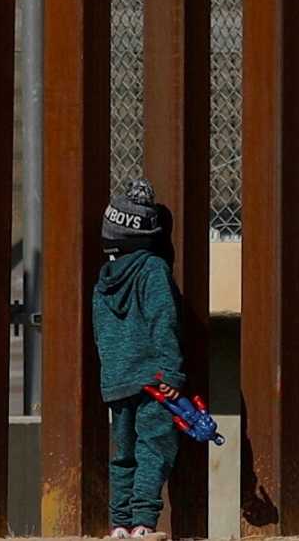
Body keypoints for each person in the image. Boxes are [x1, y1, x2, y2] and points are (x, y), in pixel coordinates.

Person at [93, 178, 186, 539]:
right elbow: (165, 323)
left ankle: (119, 524)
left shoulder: (103, 281)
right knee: (154, 448)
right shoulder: (153, 271)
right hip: (154, 380)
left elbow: (102, 334)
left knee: (123, 454)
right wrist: (172, 376)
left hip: (117, 382)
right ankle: (144, 524)